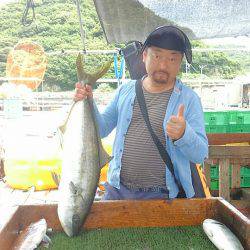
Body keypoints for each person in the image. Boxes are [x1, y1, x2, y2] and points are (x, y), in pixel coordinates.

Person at [74, 25, 208, 200]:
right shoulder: (126, 90)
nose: (163, 65)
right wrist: (88, 102)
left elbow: (201, 154)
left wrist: (184, 134)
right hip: (116, 190)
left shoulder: (189, 99)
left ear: (180, 62)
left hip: (161, 195)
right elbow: (102, 129)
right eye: (157, 55)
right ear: (144, 56)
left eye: (172, 59)